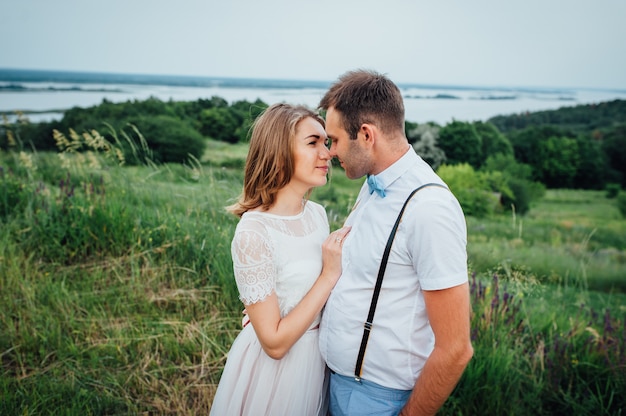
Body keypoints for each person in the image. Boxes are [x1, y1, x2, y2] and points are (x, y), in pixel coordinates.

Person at [318, 70, 473, 416]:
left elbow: (456, 348)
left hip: (378, 402)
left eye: (335, 140)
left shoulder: (429, 209)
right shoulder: (372, 182)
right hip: (333, 386)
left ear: (367, 135)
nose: (329, 152)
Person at [209, 103, 351, 416]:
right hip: (276, 375)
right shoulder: (253, 232)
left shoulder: (317, 214)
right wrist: (328, 276)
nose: (326, 153)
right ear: (279, 150)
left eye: (326, 143)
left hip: (318, 362)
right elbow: (273, 343)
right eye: (313, 143)